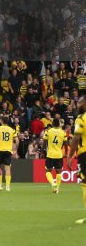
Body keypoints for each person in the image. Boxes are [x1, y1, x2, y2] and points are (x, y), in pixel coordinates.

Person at [67, 96, 86, 225]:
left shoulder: (81, 118)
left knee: (85, 182)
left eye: (79, 102)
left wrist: (69, 156)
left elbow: (75, 139)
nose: (77, 105)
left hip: (85, 153)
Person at [43, 118, 67, 194]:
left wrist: (43, 151)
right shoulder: (63, 132)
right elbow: (65, 144)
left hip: (50, 154)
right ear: (59, 124)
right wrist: (66, 152)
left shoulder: (48, 131)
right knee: (59, 172)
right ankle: (57, 188)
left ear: (53, 124)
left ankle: (53, 184)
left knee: (48, 171)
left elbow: (45, 141)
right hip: (59, 154)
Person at [0, 115, 16, 192]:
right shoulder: (12, 130)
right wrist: (15, 150)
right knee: (7, 168)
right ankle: (7, 186)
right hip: (8, 150)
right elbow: (17, 140)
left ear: (2, 121)